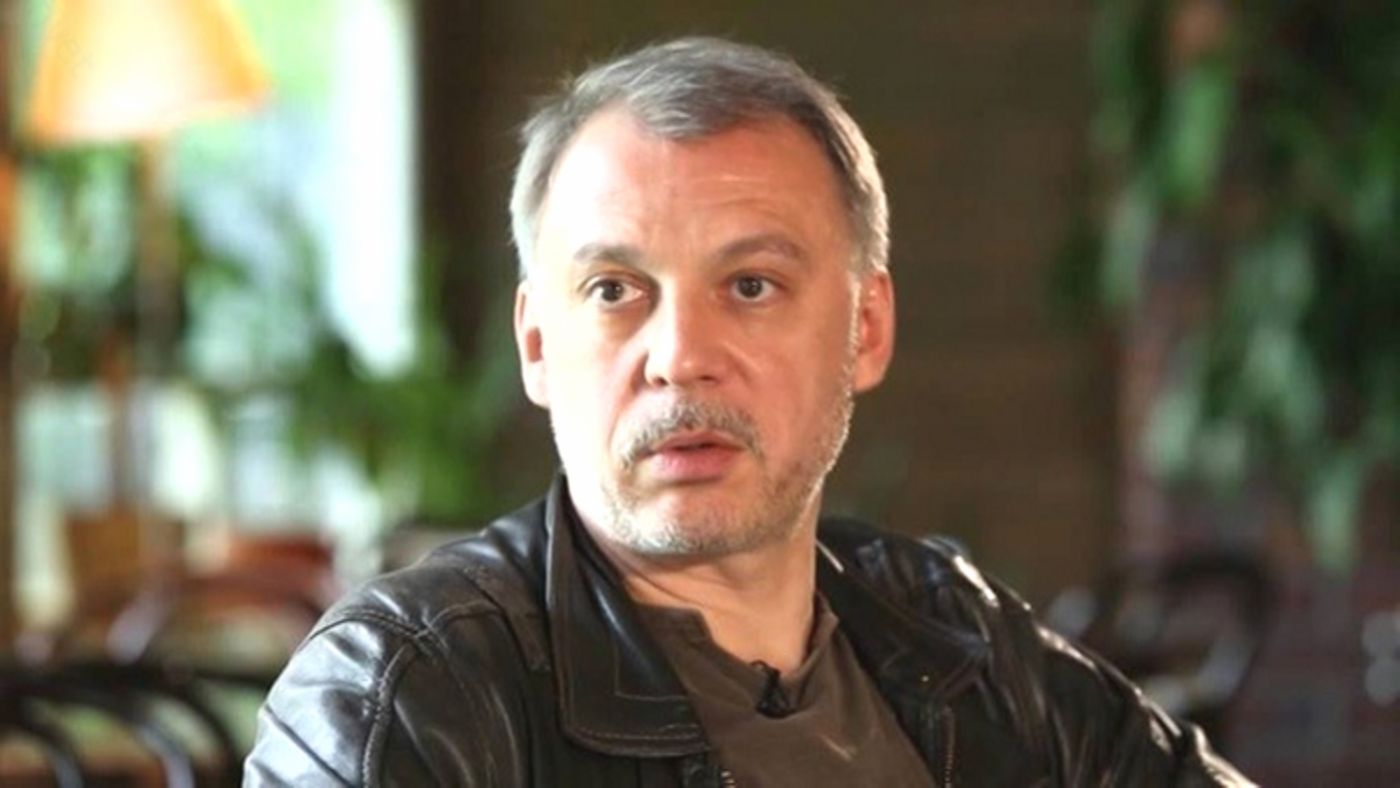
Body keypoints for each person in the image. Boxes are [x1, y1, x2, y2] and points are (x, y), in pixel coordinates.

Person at [245, 37, 1253, 787]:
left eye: (751, 286)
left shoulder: (948, 628)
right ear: (537, 344)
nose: (680, 356)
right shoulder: (405, 691)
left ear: (864, 328)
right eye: (613, 290)